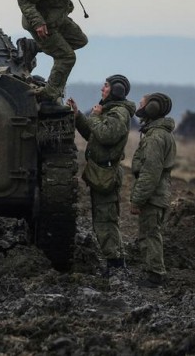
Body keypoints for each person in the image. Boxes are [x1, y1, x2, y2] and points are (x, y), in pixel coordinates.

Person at [18, 0, 126, 103]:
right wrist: (38, 22)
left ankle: (34, 46)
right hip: (41, 23)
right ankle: (50, 93)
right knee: (67, 57)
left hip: (58, 17)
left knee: (80, 40)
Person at [67, 74, 135, 276]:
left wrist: (96, 116)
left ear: (115, 91)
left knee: (106, 220)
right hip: (100, 171)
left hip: (106, 173)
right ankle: (115, 262)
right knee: (103, 218)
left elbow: (106, 136)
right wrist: (78, 115)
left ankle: (115, 265)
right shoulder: (111, 111)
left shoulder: (118, 113)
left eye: (105, 87)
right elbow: (93, 135)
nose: (102, 89)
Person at [130, 92, 177, 287]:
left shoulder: (155, 137)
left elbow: (150, 172)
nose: (140, 107)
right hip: (158, 193)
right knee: (151, 233)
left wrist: (137, 199)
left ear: (151, 108)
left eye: (142, 104)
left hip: (154, 195)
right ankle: (152, 272)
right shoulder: (160, 133)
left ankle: (155, 275)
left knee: (150, 235)